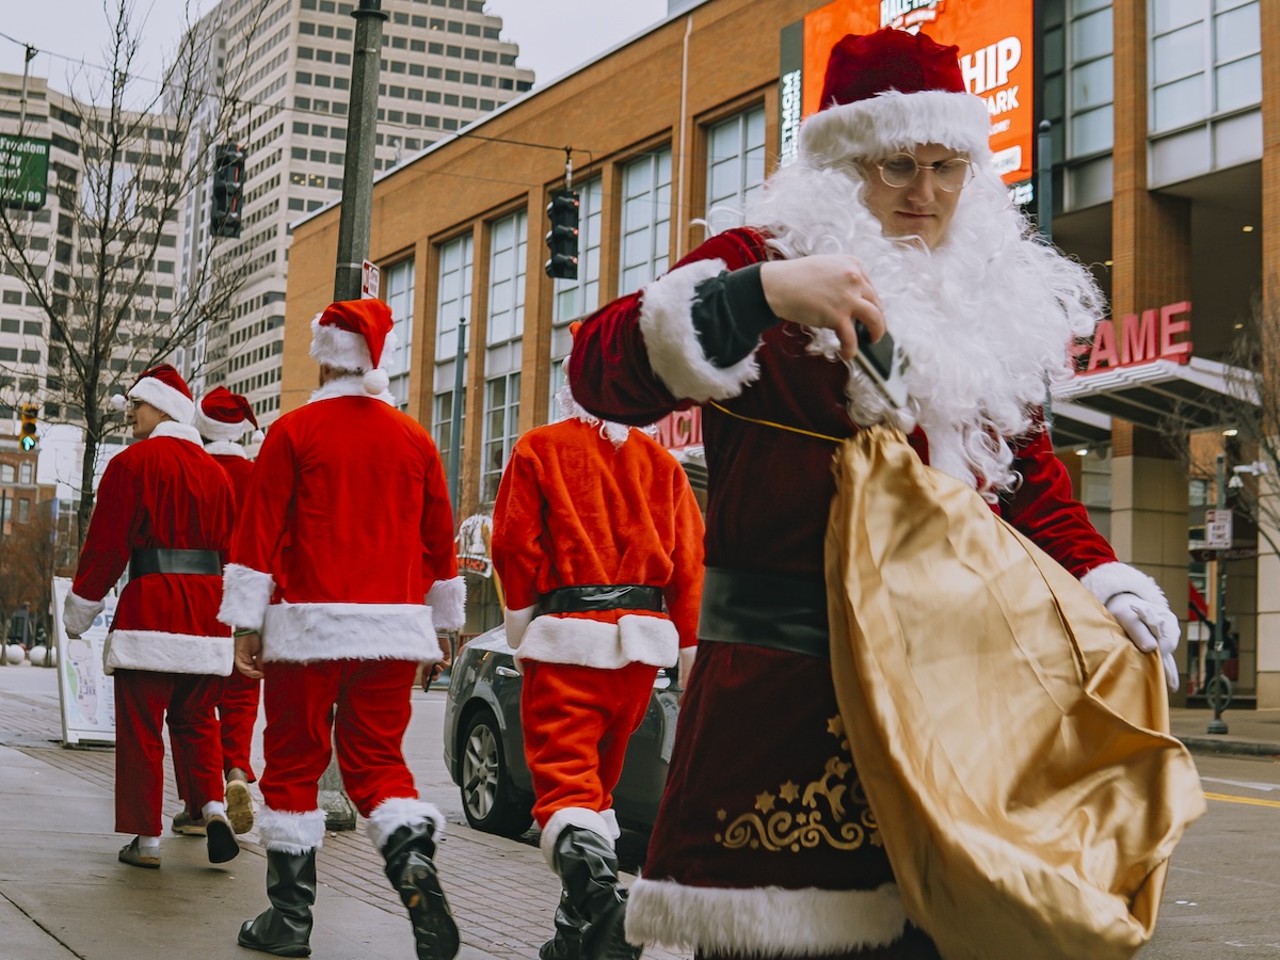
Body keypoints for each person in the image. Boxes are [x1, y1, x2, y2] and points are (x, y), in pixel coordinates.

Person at [567, 28, 1182, 960]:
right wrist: (764, 292)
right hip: (788, 711)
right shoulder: (763, 257)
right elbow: (598, 371)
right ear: (840, 162)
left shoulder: (991, 295)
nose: (925, 193)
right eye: (898, 164)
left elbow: (1032, 487)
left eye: (947, 166)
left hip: (962, 712)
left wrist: (1108, 584)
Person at [218, 298, 466, 960]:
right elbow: (440, 542)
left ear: (325, 358)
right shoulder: (414, 438)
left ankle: (290, 920)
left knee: (297, 760)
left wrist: (247, 622)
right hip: (391, 631)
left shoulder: (294, 432)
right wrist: (442, 627)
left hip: (307, 629)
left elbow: (258, 530)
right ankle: (414, 865)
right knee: (380, 762)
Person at [491, 348, 705, 960]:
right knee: (596, 792)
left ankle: (608, 913)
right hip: (640, 654)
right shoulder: (662, 465)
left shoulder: (540, 448)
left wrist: (519, 623)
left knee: (563, 789)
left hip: (568, 640)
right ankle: (574, 939)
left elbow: (512, 542)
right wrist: (689, 655)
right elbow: (691, 565)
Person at [62, 364, 240, 869]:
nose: (130, 413)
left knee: (142, 727)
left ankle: (146, 840)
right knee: (198, 720)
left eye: (136, 404)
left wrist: (82, 608)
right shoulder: (217, 475)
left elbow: (107, 546)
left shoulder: (132, 464)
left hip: (151, 607)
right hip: (208, 616)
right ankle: (212, 806)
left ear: (162, 406)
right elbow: (232, 554)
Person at [170, 386, 265, 839]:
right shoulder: (258, 476)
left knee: (196, 705)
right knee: (243, 699)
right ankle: (239, 774)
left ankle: (198, 804)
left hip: (201, 599)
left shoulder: (196, 470)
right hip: (250, 602)